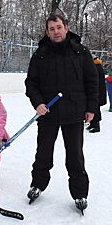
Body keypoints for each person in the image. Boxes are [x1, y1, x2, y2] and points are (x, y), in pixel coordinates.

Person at [25, 13, 98, 212]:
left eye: (58, 27)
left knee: (74, 156)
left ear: (66, 27)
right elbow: (31, 83)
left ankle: (80, 193)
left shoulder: (81, 52)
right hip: (48, 113)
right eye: (51, 29)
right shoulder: (40, 54)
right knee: (43, 153)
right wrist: (38, 103)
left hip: (74, 112)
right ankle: (38, 184)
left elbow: (92, 82)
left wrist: (91, 108)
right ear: (47, 32)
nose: (56, 32)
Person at [86, 55, 107, 133]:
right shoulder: (97, 66)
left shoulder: (96, 67)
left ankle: (96, 125)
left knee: (95, 109)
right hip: (98, 92)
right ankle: (93, 124)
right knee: (94, 108)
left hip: (97, 93)